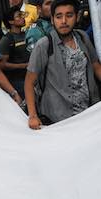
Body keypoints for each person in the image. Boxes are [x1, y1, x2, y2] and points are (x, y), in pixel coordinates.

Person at [25, 0, 101, 128]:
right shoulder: (44, 45)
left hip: (89, 113)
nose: (64, 21)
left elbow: (96, 66)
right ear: (52, 20)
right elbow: (29, 82)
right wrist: (33, 116)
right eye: (59, 16)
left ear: (77, 17)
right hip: (59, 120)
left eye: (69, 15)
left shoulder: (83, 38)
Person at [0, 6, 32, 98]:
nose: (22, 18)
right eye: (18, 16)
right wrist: (24, 65)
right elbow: (2, 64)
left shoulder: (28, 34)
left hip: (31, 77)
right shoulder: (7, 39)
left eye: (22, 15)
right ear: (11, 21)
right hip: (18, 81)